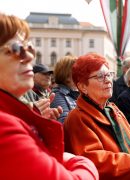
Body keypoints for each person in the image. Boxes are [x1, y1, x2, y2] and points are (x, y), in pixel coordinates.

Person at [0, 13, 98, 179]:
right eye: (16, 48)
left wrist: (33, 123)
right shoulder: (4, 128)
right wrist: (82, 162)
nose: (30, 56)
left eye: (30, 48)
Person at [64, 52, 130, 180]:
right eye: (100, 76)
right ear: (83, 87)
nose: (108, 80)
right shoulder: (77, 118)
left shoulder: (112, 109)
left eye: (108, 74)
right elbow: (94, 162)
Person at [50, 55, 79, 123]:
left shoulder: (77, 93)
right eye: (76, 71)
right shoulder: (57, 95)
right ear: (66, 75)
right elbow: (64, 123)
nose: (81, 74)